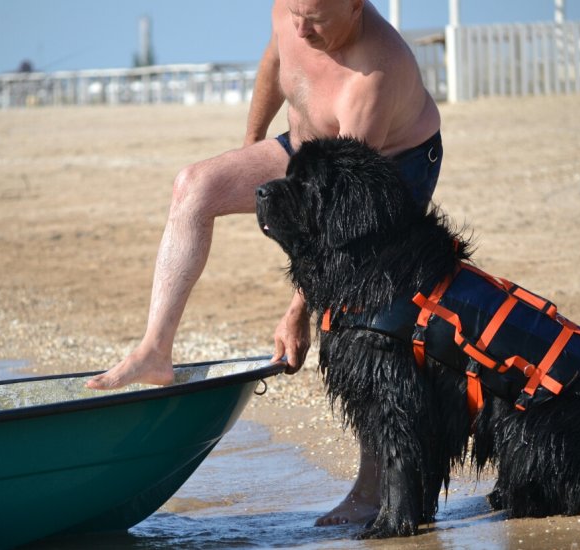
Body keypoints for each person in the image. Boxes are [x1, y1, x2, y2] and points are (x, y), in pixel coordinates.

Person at [87, 0, 443, 527]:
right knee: (194, 185)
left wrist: (296, 312)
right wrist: (250, 147)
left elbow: (335, 226)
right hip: (306, 150)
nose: (301, 27)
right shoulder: (292, 11)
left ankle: (372, 490)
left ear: (354, 5)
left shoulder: (372, 78)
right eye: (295, 12)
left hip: (384, 169)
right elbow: (277, 62)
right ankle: (154, 349)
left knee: (364, 323)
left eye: (316, 19)